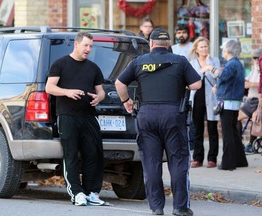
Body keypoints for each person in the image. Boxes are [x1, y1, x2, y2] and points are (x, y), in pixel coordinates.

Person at [115, 28, 201, 216]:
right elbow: (197, 84)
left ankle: (156, 207)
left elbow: (120, 83)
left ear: (151, 44)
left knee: (151, 162)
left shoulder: (139, 62)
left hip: (147, 115)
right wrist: (181, 82)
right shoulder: (179, 60)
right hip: (173, 115)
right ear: (168, 44)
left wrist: (126, 101)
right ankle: (180, 207)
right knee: (178, 161)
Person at [45, 32, 106, 206]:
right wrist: (67, 92)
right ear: (76, 45)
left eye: (91, 46)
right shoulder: (60, 64)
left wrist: (99, 98)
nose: (88, 49)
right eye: (86, 45)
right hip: (67, 116)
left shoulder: (93, 68)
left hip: (88, 115)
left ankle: (91, 192)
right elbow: (50, 87)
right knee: (71, 155)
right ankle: (77, 193)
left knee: (93, 153)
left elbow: (100, 90)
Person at [213, 39, 248, 171]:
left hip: (227, 102)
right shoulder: (236, 63)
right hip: (232, 101)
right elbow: (228, 80)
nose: (222, 50)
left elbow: (223, 76)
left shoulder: (231, 64)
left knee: (228, 132)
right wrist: (219, 88)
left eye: (223, 48)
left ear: (228, 50)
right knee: (233, 131)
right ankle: (240, 160)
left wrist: (211, 68)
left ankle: (228, 163)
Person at [189, 37, 221, 168]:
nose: (204, 49)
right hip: (197, 97)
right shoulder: (192, 62)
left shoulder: (215, 60)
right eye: (201, 47)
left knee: (213, 128)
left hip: (211, 97)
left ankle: (212, 158)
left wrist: (209, 65)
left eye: (206, 46)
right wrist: (203, 69)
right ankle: (197, 158)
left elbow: (217, 76)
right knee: (197, 129)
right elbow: (193, 78)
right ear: (196, 49)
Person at [172, 24, 195, 150]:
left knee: (189, 117)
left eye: (183, 32)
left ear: (188, 34)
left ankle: (191, 145)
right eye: (178, 32)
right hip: (174, 88)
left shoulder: (193, 48)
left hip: (189, 87)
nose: (181, 35)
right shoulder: (172, 48)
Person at [237, 49, 262, 154]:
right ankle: (241, 143)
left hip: (256, 99)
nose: (256, 60)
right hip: (250, 98)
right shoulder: (253, 69)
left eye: (258, 58)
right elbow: (245, 83)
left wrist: (252, 84)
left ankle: (249, 143)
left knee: (237, 117)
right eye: (254, 58)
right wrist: (251, 84)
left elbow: (256, 84)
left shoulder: (259, 69)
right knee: (239, 118)